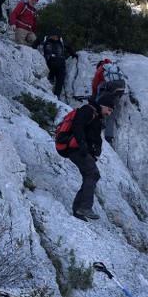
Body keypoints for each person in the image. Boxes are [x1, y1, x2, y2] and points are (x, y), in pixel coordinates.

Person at [56, 92, 116, 220]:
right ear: (102, 105)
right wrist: (82, 143)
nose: (109, 113)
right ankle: (84, 207)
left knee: (89, 176)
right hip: (75, 148)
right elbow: (78, 125)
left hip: (80, 149)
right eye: (109, 110)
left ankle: (78, 210)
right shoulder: (87, 110)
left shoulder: (96, 116)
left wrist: (93, 153)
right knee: (93, 174)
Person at [33, 26, 76, 98]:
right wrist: (33, 51)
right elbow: (36, 43)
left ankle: (57, 95)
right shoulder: (45, 39)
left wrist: (73, 55)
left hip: (60, 64)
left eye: (56, 36)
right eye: (53, 36)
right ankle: (50, 90)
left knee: (61, 78)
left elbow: (69, 48)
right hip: (49, 63)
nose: (55, 38)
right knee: (51, 75)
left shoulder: (62, 41)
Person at [91, 59, 125, 145]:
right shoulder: (115, 70)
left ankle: (97, 127)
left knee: (98, 108)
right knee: (111, 114)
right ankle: (109, 138)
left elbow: (95, 84)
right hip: (116, 92)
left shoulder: (101, 69)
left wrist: (95, 97)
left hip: (106, 92)